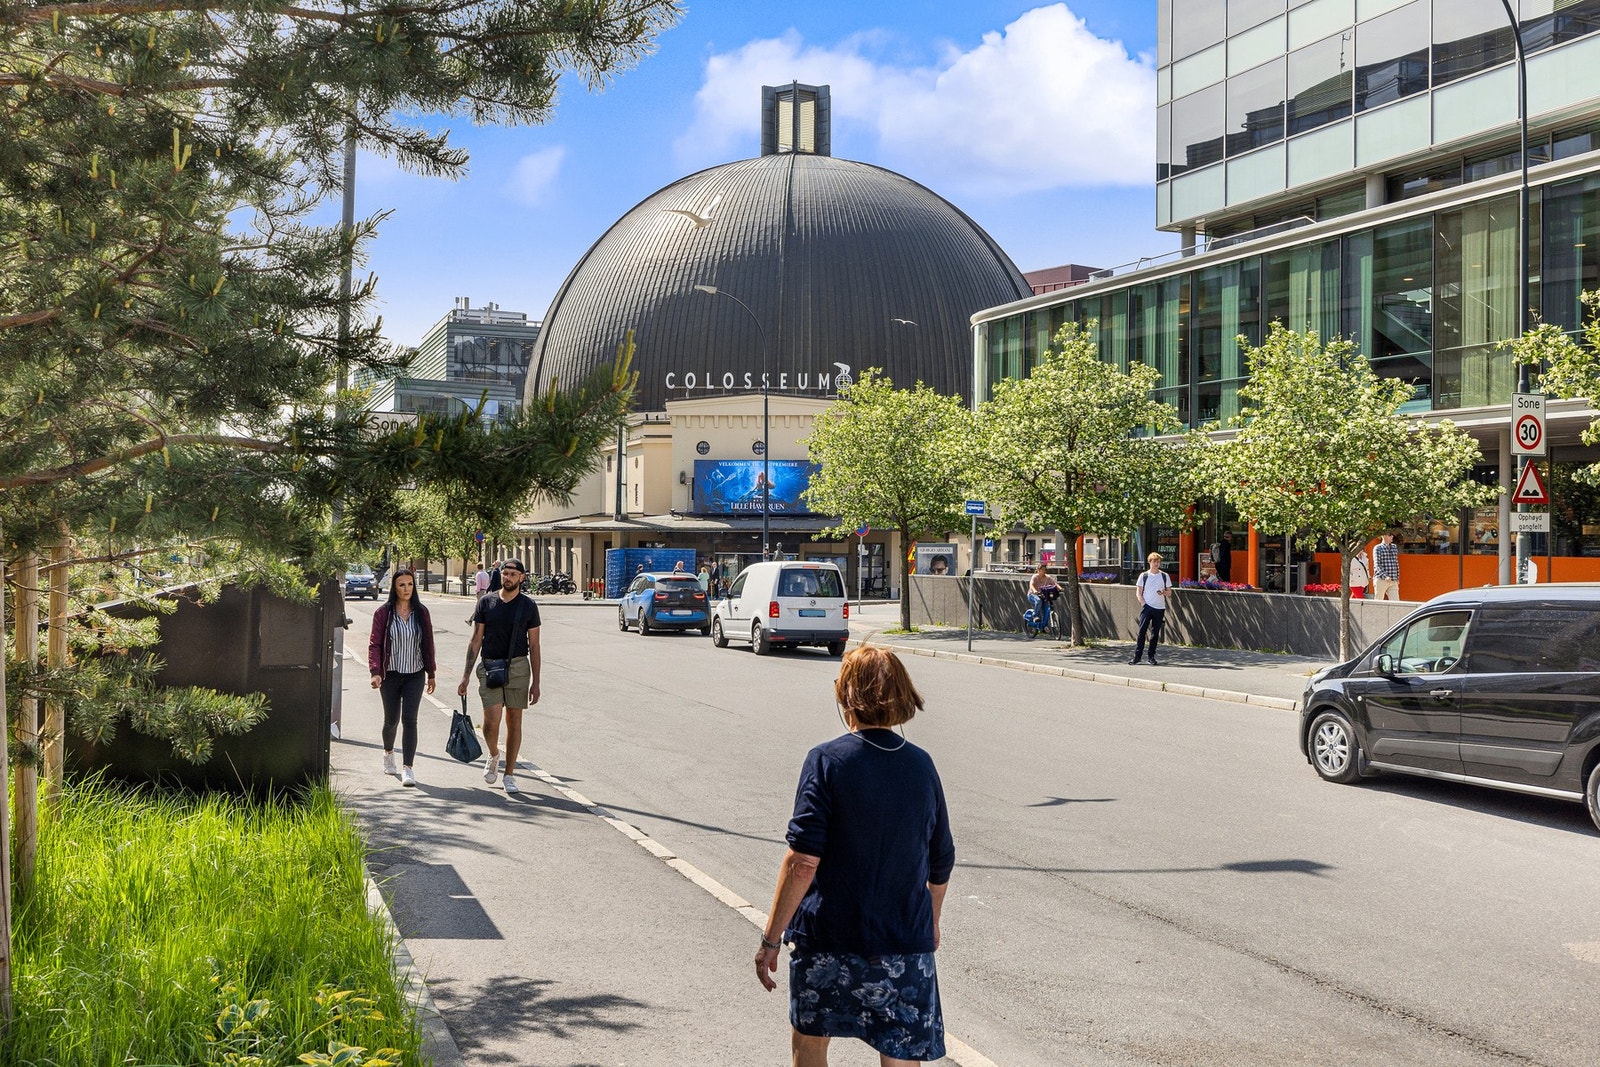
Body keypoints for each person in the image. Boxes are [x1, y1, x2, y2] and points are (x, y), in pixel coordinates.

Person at [756, 647, 954, 1066]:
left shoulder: (827, 761)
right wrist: (930, 922)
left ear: (847, 695)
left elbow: (802, 861)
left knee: (810, 1042)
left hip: (830, 938)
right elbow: (941, 861)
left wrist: (771, 939)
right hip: (903, 941)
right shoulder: (922, 766)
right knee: (899, 1053)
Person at [458, 559, 541, 794]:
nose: (508, 578)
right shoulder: (487, 602)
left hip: (518, 668)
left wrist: (536, 682)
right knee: (490, 722)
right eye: (505, 573)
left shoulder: (528, 606)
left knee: (514, 721)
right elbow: (476, 640)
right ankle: (494, 753)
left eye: (513, 574)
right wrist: (465, 676)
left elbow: (534, 646)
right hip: (490, 666)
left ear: (522, 578)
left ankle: (510, 774)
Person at [367, 567, 436, 787]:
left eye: (409, 584)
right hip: (390, 675)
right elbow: (375, 644)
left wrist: (431, 673)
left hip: (415, 674)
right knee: (391, 720)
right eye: (401, 585)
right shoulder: (383, 613)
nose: (406, 589)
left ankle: (408, 768)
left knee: (410, 720)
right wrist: (375, 672)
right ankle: (388, 753)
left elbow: (428, 644)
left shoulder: (421, 612)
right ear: (394, 588)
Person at [1131, 552, 1172, 665]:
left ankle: (1151, 656)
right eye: (1154, 561)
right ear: (1150, 562)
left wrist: (1163, 592)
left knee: (1155, 633)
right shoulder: (1144, 576)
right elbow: (1139, 592)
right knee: (1142, 632)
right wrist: (1144, 604)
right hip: (1147, 607)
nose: (1156, 564)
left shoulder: (1164, 576)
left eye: (1158, 562)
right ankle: (1137, 656)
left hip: (1160, 607)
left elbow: (1170, 593)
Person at [1371, 532, 1400, 601]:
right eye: (1390, 535)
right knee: (1378, 601)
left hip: (1393, 579)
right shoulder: (1378, 548)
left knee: (1396, 602)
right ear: (1384, 536)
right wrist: (1385, 576)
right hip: (1381, 579)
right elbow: (1377, 564)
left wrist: (1397, 577)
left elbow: (1395, 563)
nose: (1392, 536)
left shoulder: (1394, 547)